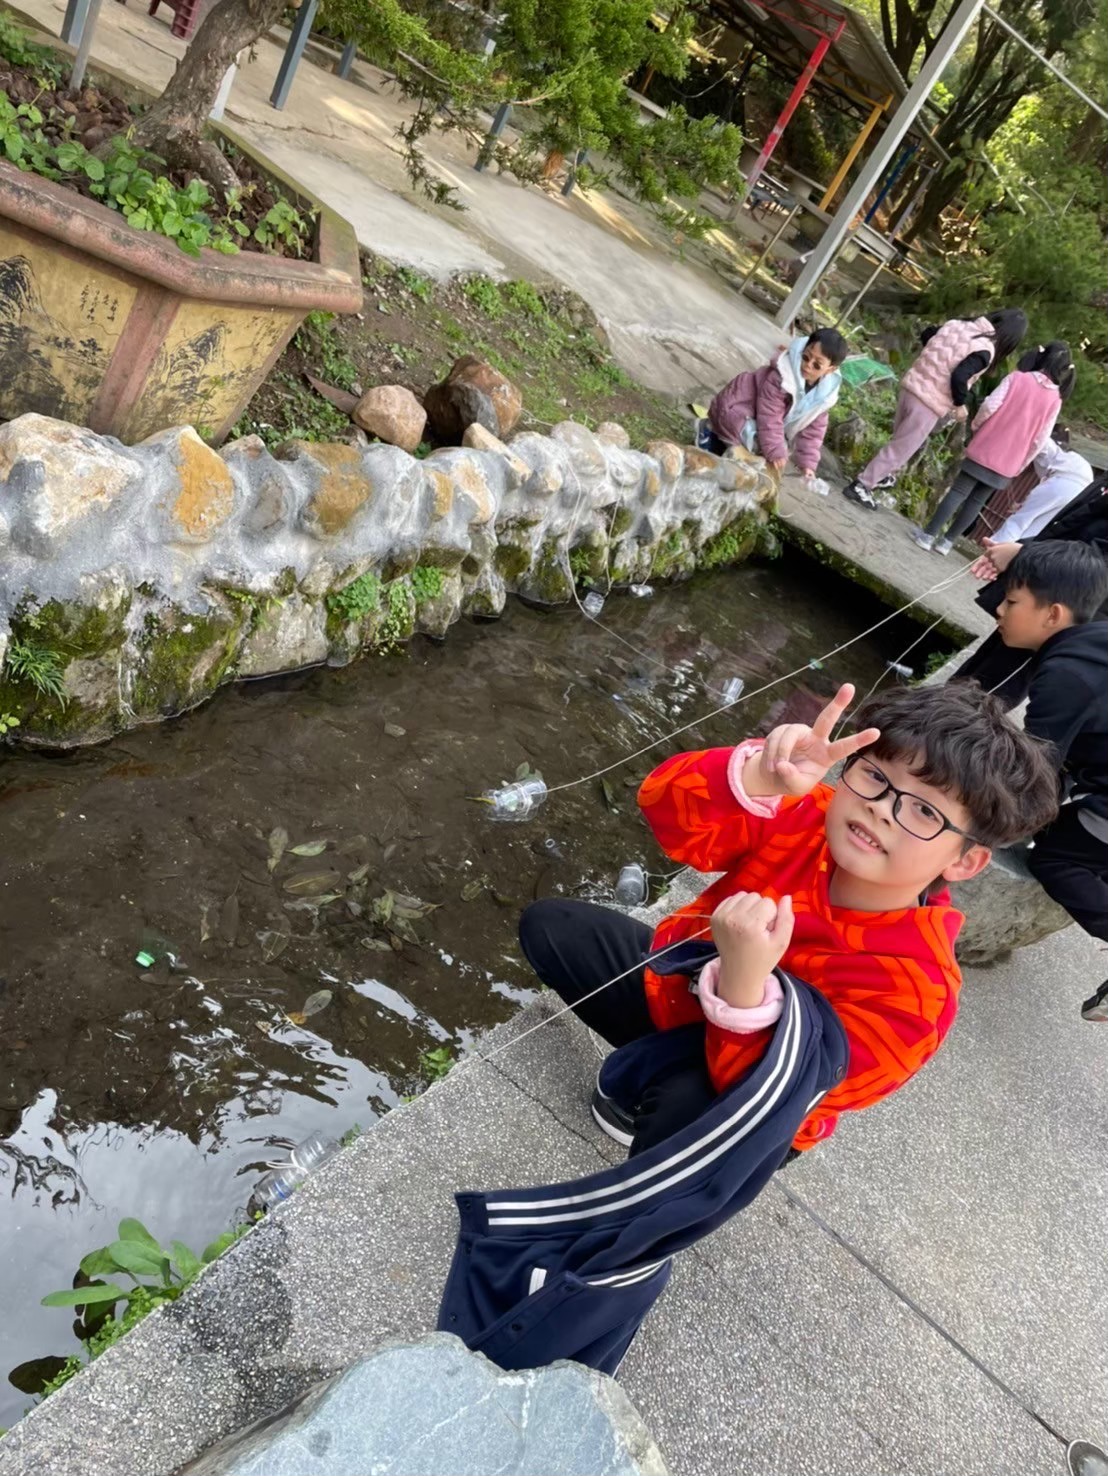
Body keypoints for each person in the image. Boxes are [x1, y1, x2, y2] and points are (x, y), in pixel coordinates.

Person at [518, 681, 1060, 1156]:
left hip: (750, 1094)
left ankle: (660, 1135)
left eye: (924, 810)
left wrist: (744, 985)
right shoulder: (808, 813)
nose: (880, 808)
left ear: (965, 861)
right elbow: (667, 813)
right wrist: (757, 777)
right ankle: (646, 1070)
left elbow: (787, 1092)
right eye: (876, 776)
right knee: (553, 928)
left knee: (689, 1116)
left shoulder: (919, 994)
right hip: (677, 996)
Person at [986, 540, 1108, 1021]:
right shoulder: (1094, 645)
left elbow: (1035, 772)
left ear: (1052, 614)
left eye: (1012, 601)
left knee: (1057, 855)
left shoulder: (1066, 676)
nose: (999, 610)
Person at [842, 308, 1028, 511]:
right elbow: (960, 376)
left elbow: (928, 332)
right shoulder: (984, 349)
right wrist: (960, 404)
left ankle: (882, 475)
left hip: (910, 387)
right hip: (928, 403)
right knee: (900, 448)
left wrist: (933, 362)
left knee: (899, 442)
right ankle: (862, 485)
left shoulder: (958, 324)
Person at [952, 469, 1108, 706]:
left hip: (1065, 605)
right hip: (1039, 594)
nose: (1001, 609)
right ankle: (934, 712)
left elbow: (1099, 561)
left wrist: (1022, 554)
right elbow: (1064, 530)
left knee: (993, 690)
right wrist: (1019, 551)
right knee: (978, 669)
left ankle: (952, 724)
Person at [911, 341, 1075, 556]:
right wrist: (1022, 463)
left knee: (958, 492)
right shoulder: (1055, 400)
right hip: (1010, 460)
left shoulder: (1017, 378)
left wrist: (976, 426)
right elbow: (1040, 439)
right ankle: (946, 543)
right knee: (977, 501)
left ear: (1041, 356)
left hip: (986, 445)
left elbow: (990, 406)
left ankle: (928, 535)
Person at [699, 329, 848, 478]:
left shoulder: (823, 398)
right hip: (737, 408)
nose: (808, 365)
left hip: (757, 419)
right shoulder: (781, 376)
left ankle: (731, 455)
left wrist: (807, 464)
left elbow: (814, 432)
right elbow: (770, 415)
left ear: (830, 369)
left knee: (770, 448)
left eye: (817, 365)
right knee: (758, 443)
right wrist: (775, 450)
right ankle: (709, 432)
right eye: (805, 357)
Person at [988, 433, 1094, 544]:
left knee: (1020, 520)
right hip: (1079, 495)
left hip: (1062, 482)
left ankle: (995, 545)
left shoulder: (1051, 445)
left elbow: (1038, 439)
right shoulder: (1074, 460)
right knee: (1036, 529)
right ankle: (1016, 551)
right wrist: (1024, 504)